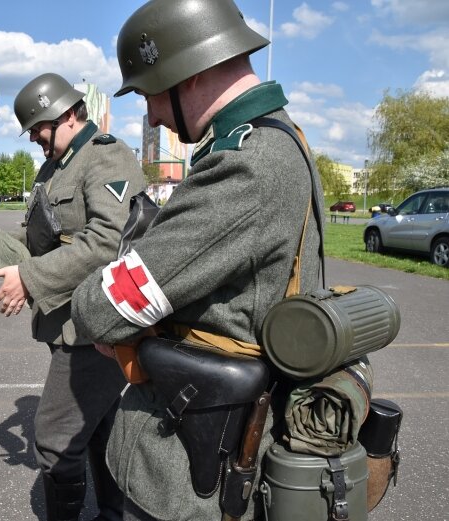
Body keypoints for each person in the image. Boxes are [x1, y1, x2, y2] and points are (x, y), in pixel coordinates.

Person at [70, 1, 324, 520]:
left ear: (188, 74)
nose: (152, 115)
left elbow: (99, 310)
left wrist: (103, 302)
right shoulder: (281, 139)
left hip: (190, 468)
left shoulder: (246, 167)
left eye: (149, 94)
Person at [0, 72, 146, 521]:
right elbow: (45, 230)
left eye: (39, 125)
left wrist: (30, 278)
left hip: (98, 323)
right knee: (97, 427)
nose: (34, 135)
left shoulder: (105, 158)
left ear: (70, 115)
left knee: (54, 440)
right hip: (68, 319)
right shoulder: (54, 166)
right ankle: (114, 514)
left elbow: (106, 243)